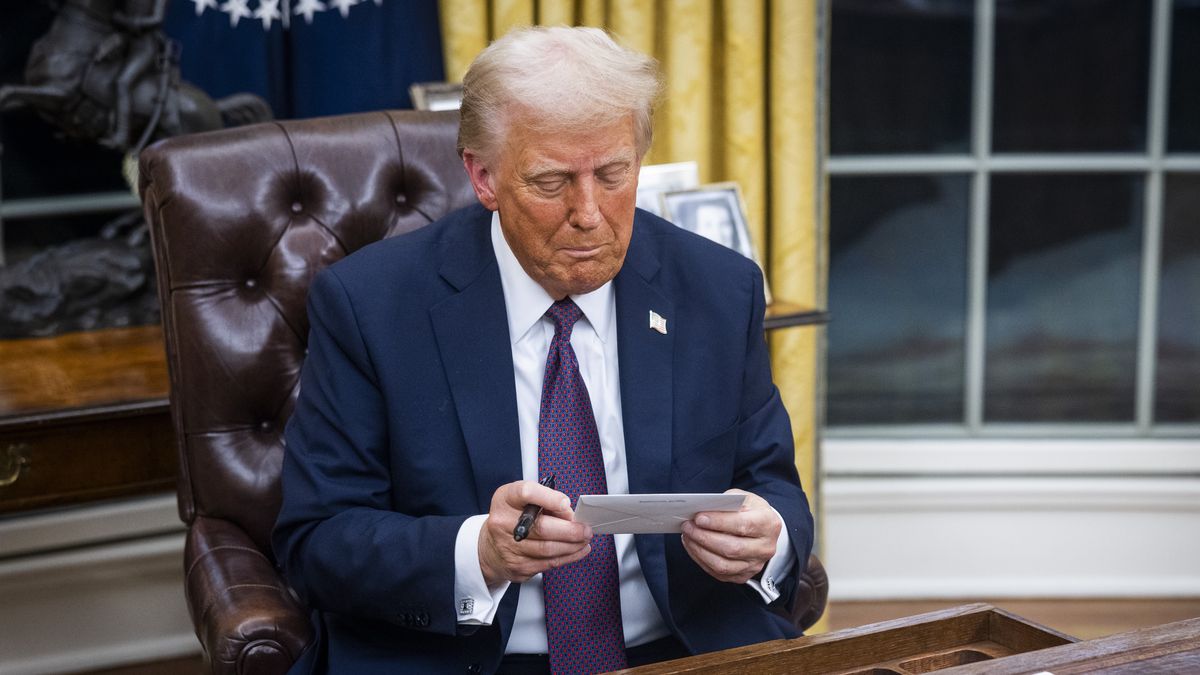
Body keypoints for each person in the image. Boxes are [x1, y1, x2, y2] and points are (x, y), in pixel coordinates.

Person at [272, 25, 814, 675]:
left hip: (681, 648)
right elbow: (318, 540)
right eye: (553, 182)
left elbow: (775, 489)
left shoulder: (717, 290)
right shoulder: (371, 306)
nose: (590, 213)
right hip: (458, 655)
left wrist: (770, 537)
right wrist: (479, 552)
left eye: (613, 174)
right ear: (484, 175)